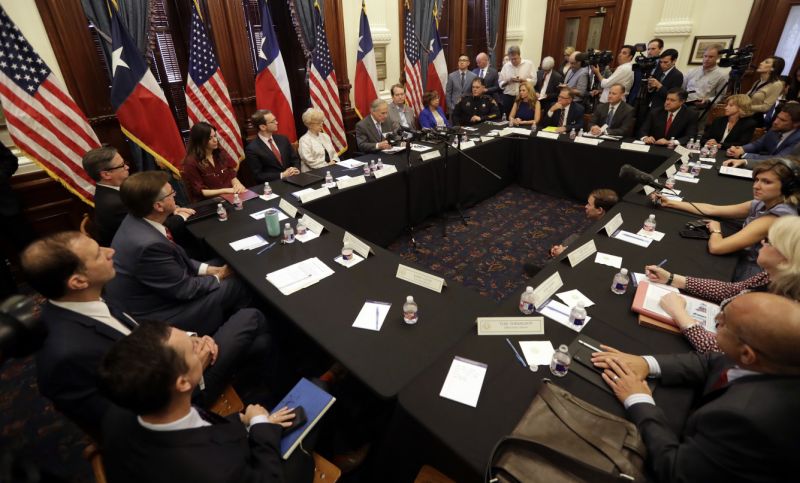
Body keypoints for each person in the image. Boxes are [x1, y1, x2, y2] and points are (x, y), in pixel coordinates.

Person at [21, 231, 269, 440]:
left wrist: (187, 338)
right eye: (98, 254)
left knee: (262, 343)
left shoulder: (84, 299)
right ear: (78, 281)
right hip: (178, 397)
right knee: (252, 317)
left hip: (170, 361)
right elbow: (127, 423)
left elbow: (136, 331)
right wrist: (192, 367)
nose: (111, 252)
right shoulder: (66, 355)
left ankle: (263, 394)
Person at [591, 292, 800, 482]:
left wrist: (639, 399)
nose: (715, 321)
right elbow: (714, 361)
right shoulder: (771, 359)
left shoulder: (747, 419)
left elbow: (674, 470)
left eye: (724, 323)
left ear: (747, 354)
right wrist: (648, 363)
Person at [98, 320, 313, 483]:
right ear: (182, 383)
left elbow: (200, 426)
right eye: (193, 348)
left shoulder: (119, 412)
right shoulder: (217, 470)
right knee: (319, 393)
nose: (202, 343)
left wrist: (244, 420)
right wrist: (260, 427)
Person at [105, 171, 252, 334]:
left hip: (164, 288)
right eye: (171, 193)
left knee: (220, 262)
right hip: (164, 314)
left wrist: (210, 270)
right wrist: (220, 275)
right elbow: (186, 289)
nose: (175, 195)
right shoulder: (148, 245)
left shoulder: (137, 220)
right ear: (158, 206)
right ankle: (241, 326)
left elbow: (176, 260)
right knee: (240, 281)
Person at [644, 215, 800, 353]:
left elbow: (721, 350)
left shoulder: (785, 312)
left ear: (786, 257)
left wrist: (679, 314)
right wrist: (672, 279)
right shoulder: (774, 275)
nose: (762, 242)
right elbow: (732, 290)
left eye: (769, 241)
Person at [653, 158, 799, 280]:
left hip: (754, 272)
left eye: (766, 182)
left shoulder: (773, 218)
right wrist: (671, 203)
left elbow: (717, 248)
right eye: (757, 180)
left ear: (787, 187)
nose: (756, 186)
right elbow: (713, 209)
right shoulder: (765, 202)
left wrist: (716, 230)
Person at [81, 146, 207, 258]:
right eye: (122, 165)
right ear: (106, 174)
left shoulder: (110, 191)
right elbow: (154, 229)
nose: (127, 167)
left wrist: (173, 209)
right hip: (145, 256)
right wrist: (181, 216)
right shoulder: (115, 204)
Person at [523, 189, 618, 275]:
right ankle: (553, 259)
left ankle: (544, 274)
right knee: (574, 238)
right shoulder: (608, 221)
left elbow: (589, 258)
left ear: (599, 210)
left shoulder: (600, 233)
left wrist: (564, 255)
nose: (585, 206)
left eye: (589, 204)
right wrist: (563, 249)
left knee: (566, 249)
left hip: (589, 268)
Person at [181, 122, 246, 203]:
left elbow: (231, 174)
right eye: (209, 138)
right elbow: (201, 191)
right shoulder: (190, 162)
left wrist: (238, 185)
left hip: (231, 196)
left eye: (215, 136)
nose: (215, 140)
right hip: (210, 202)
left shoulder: (220, 153)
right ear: (199, 140)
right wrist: (226, 191)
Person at [722, 103, 800, 168]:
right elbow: (759, 143)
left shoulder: (797, 140)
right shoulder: (776, 128)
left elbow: (778, 159)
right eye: (777, 117)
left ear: (796, 124)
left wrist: (744, 155)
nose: (776, 122)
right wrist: (741, 149)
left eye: (782, 120)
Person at [244, 109, 300, 182]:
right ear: (262, 127)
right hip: (273, 185)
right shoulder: (252, 149)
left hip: (294, 179)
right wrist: (282, 175)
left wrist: (295, 169)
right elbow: (258, 175)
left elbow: (295, 159)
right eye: (273, 121)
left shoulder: (283, 139)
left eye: (275, 120)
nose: (277, 122)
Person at [682, 45, 729, 112]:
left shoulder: (722, 75)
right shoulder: (692, 71)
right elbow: (683, 88)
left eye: (711, 57)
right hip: (684, 105)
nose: (707, 59)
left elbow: (721, 95)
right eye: (705, 56)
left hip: (702, 109)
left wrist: (708, 100)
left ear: (718, 57)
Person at [298, 108, 339, 172]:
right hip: (314, 173)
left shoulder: (325, 136)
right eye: (318, 123)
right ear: (310, 124)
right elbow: (309, 161)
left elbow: (334, 154)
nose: (321, 124)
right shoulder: (304, 140)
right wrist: (327, 165)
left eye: (321, 121)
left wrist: (334, 161)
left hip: (331, 168)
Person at [498, 45, 536, 116]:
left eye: (515, 58)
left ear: (519, 55)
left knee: (520, 118)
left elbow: (534, 81)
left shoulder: (529, 64)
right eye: (511, 59)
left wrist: (524, 81)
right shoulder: (506, 66)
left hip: (523, 97)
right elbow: (500, 83)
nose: (513, 61)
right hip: (508, 96)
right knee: (507, 119)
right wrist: (508, 81)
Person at [748, 56, 786, 124]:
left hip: (754, 119)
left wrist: (746, 107)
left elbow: (766, 107)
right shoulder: (758, 81)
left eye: (766, 62)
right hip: (746, 114)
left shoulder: (777, 84)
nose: (761, 63)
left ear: (773, 68)